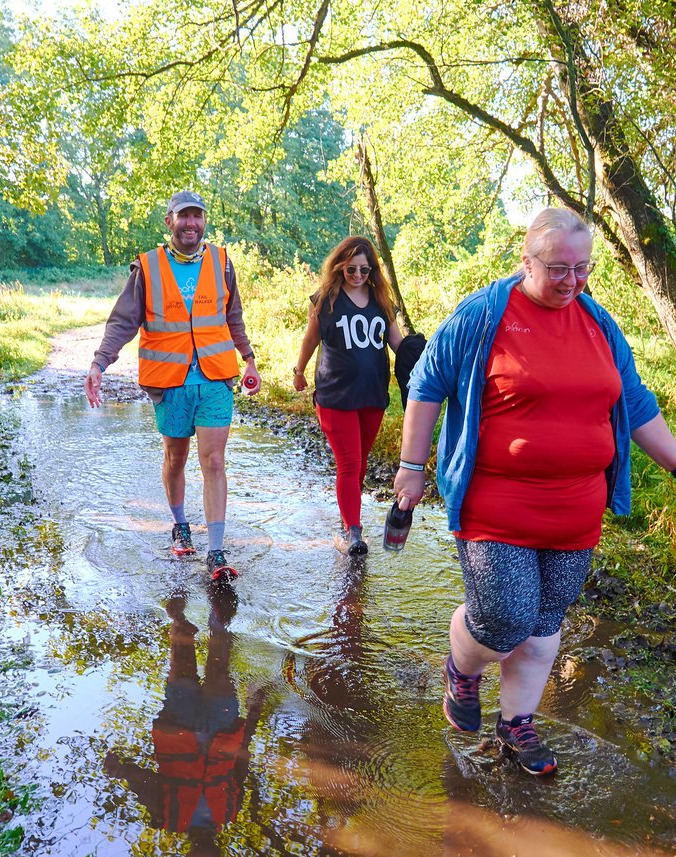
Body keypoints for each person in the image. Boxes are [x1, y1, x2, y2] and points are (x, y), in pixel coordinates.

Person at [392, 207, 676, 775]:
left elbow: (634, 403)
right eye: (557, 268)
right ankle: (463, 667)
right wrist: (411, 466)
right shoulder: (485, 315)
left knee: (544, 628)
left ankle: (516, 723)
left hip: (576, 512)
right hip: (497, 506)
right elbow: (426, 382)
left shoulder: (599, 324)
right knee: (504, 619)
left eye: (582, 268)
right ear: (526, 261)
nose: (571, 281)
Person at [85, 191, 260, 582]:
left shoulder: (221, 261)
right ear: (169, 221)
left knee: (214, 461)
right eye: (183, 217)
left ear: (204, 221)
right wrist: (100, 363)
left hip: (215, 379)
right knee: (175, 460)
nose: (191, 224)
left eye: (197, 216)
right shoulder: (147, 267)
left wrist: (248, 358)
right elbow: (122, 323)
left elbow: (234, 317)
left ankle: (215, 551)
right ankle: (180, 524)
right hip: (170, 384)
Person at [103, 587, 265, 856]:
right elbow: (241, 763)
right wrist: (254, 714)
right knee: (220, 666)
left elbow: (144, 784)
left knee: (182, 663)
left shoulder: (169, 818)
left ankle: (177, 615)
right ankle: (218, 615)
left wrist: (122, 770)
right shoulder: (230, 811)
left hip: (178, 727)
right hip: (222, 730)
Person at [292, 237, 404, 555]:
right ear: (340, 265)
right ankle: (353, 531)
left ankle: (347, 523)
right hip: (335, 395)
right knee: (350, 463)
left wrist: (424, 359)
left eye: (364, 270)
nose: (357, 275)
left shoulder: (381, 300)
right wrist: (299, 371)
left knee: (360, 464)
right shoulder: (326, 299)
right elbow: (311, 338)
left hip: (372, 395)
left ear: (372, 271)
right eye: (351, 268)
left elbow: (398, 344)